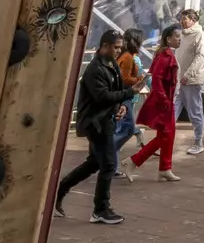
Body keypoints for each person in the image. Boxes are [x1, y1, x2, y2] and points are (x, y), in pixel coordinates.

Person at [56, 29, 134, 224]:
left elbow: (114, 90)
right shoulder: (94, 69)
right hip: (96, 123)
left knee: (94, 162)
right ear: (105, 46)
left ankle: (60, 190)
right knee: (108, 164)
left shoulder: (111, 63)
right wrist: (128, 94)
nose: (118, 51)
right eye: (115, 47)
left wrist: (121, 106)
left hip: (105, 120)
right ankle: (100, 209)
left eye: (119, 47)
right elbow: (102, 96)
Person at [130, 22, 184, 180]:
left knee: (168, 135)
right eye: (177, 37)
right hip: (164, 101)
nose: (179, 39)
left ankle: (164, 167)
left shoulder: (167, 54)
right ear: (168, 39)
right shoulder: (165, 55)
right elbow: (157, 79)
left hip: (167, 100)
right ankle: (135, 162)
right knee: (167, 135)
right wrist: (164, 99)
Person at [176, 8, 204, 155]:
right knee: (172, 110)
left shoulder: (200, 36)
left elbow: (200, 57)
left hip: (191, 80)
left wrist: (188, 74)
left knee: (195, 112)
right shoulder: (181, 36)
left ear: (193, 20)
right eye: (181, 19)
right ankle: (163, 141)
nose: (182, 22)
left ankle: (198, 142)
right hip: (178, 79)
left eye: (185, 19)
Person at [113, 32, 146, 170]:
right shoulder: (127, 57)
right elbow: (125, 79)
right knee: (125, 129)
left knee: (123, 128)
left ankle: (111, 164)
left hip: (124, 96)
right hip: (124, 96)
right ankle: (107, 155)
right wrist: (140, 79)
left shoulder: (128, 56)